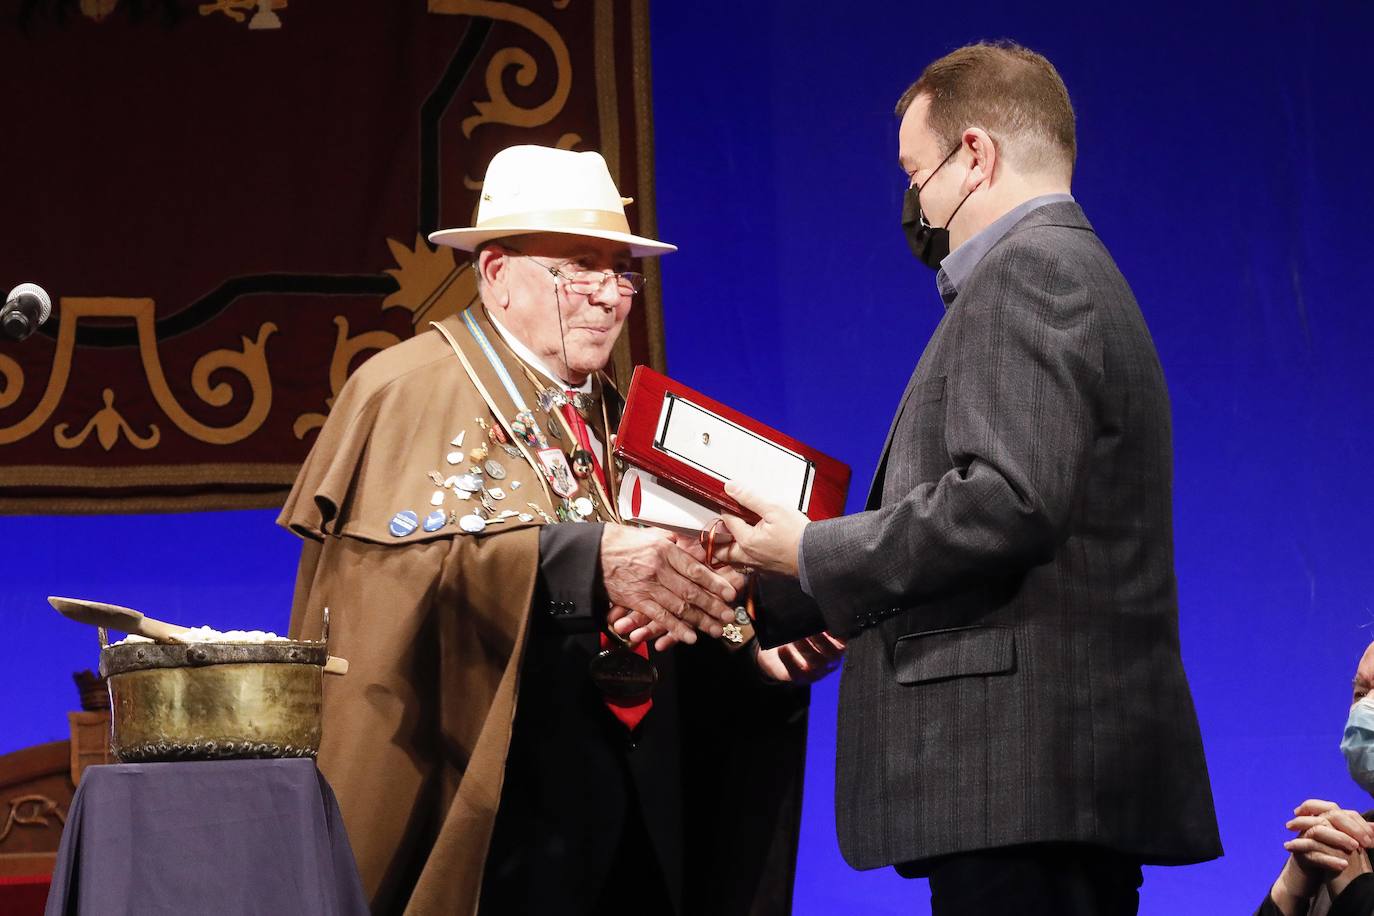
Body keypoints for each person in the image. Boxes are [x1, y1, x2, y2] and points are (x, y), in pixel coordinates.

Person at [713, 41, 1223, 914]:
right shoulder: (1065, 267)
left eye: (917, 172)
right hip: (1039, 788)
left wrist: (812, 552)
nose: (915, 201)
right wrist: (782, 590)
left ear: (975, 155)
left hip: (1024, 779)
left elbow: (1006, 501)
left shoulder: (1030, 271)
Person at [279, 144, 828, 915]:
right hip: (491, 790)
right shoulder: (400, 389)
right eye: (579, 269)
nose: (609, 298)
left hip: (629, 791)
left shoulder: (613, 410)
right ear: (496, 273)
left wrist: (755, 622)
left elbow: (655, 578)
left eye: (620, 273)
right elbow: (385, 594)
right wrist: (580, 562)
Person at [1259, 642, 1374, 915]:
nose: (1365, 709)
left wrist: (1358, 893)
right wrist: (1288, 892)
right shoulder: (1343, 845)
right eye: (1361, 693)